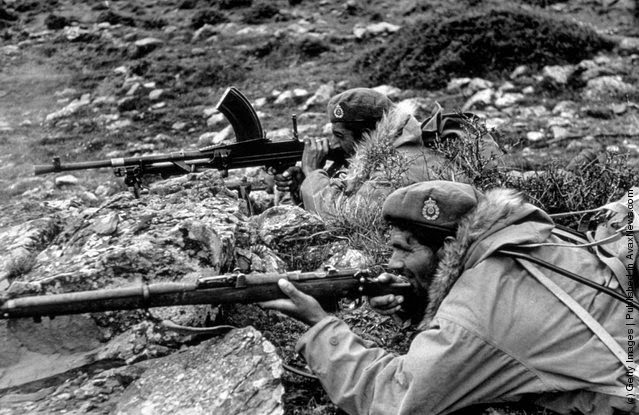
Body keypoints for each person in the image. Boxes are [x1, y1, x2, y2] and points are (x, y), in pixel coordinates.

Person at [262, 180, 638, 415]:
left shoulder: (475, 316)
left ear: (446, 249)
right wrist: (417, 303)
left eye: (404, 249)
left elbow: (392, 398)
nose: (392, 263)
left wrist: (321, 327)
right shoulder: (524, 239)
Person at [275, 88, 464, 216]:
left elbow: (344, 215)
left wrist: (312, 173)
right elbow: (349, 193)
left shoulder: (397, 167)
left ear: (366, 135)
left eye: (340, 136)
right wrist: (302, 185)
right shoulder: (392, 150)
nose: (334, 144)